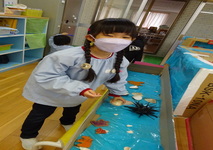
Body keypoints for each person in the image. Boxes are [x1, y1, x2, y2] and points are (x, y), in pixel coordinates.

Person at [20, 18, 137, 150]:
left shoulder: (120, 60)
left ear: (131, 40)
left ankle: (67, 122)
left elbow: (117, 77)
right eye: (109, 35)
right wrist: (81, 89)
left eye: (125, 37)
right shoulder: (66, 56)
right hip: (51, 92)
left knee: (72, 109)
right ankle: (27, 135)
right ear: (91, 37)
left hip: (79, 94)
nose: (117, 40)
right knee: (39, 114)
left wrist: (117, 93)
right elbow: (47, 76)